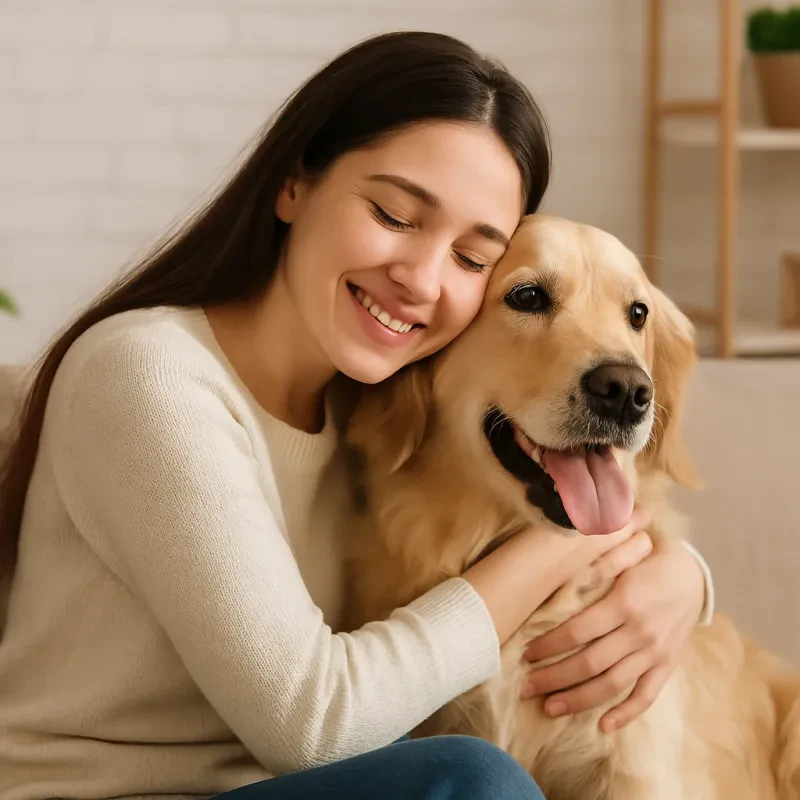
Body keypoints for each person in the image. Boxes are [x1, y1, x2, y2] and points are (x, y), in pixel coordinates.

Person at [0, 31, 712, 800]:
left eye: (473, 259)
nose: (421, 279)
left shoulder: (371, 405)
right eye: (395, 213)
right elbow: (313, 724)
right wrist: (571, 544)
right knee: (472, 782)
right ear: (293, 183)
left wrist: (685, 582)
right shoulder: (147, 375)